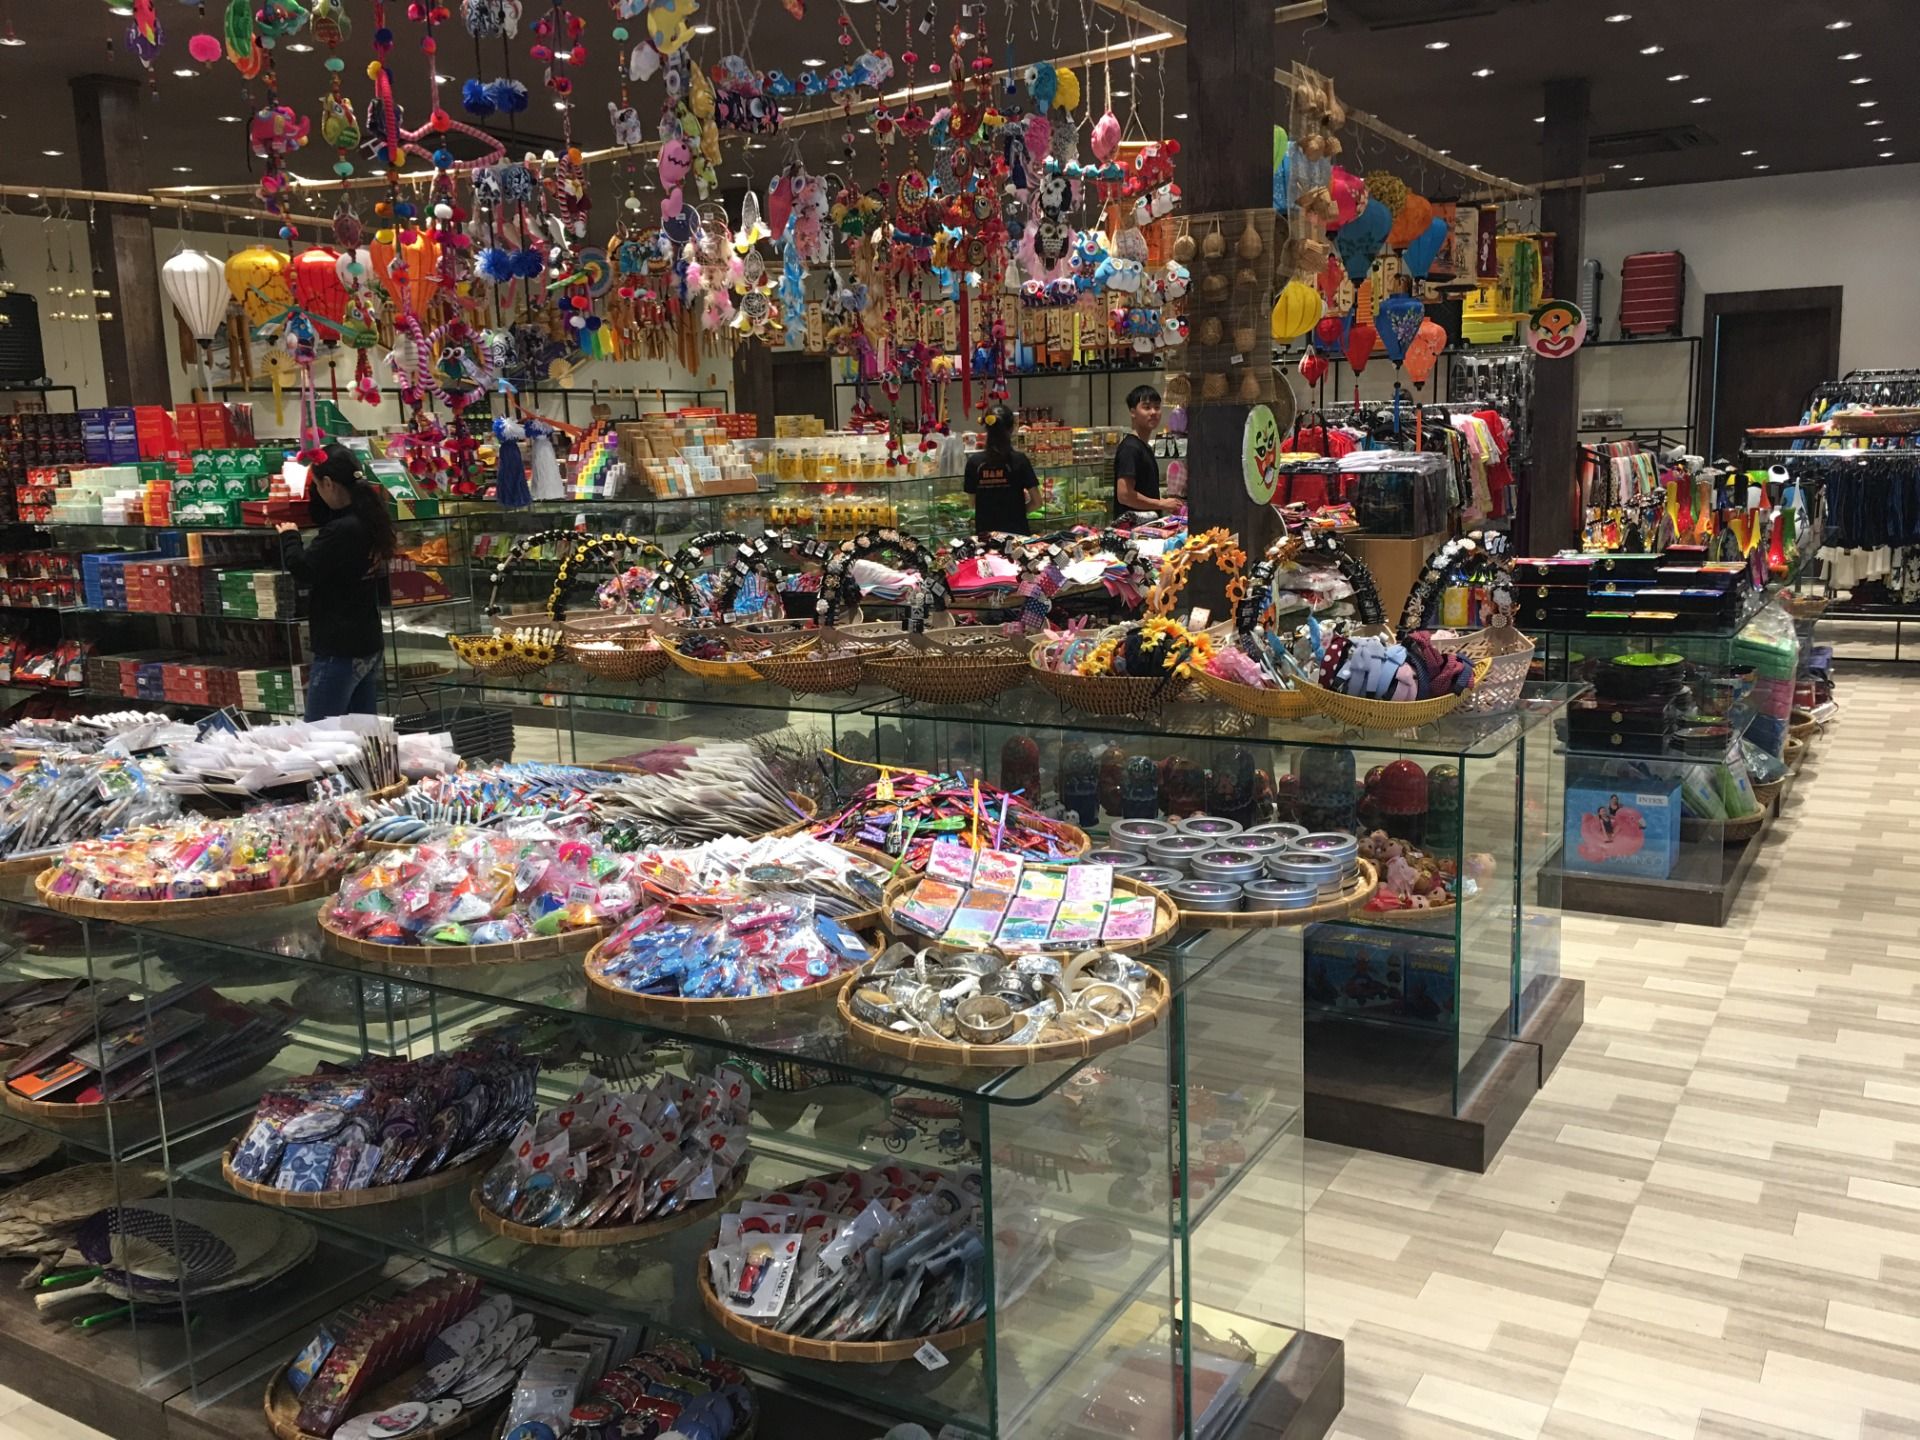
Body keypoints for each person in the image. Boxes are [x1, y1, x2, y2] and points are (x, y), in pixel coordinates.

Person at [275, 443, 396, 721]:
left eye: (317, 486)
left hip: (339, 647)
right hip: (367, 641)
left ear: (328, 483)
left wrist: (289, 537)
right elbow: (326, 514)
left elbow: (304, 568)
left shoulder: (342, 530)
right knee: (361, 733)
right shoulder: (369, 518)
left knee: (319, 734)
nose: (317, 492)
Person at [962, 403, 1039, 537]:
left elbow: (972, 504)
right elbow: (1037, 502)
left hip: (986, 536)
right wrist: (1017, 513)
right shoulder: (1020, 460)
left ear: (986, 427)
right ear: (1012, 428)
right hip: (1016, 536)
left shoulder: (974, 462)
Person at [1112, 383, 1180, 519]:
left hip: (1145, 526)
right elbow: (1125, 495)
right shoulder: (1130, 448)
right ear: (1133, 412)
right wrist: (1161, 504)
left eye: (1157, 407)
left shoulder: (1144, 447)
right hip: (1131, 528)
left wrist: (1166, 503)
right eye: (1147, 407)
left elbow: (1144, 492)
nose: (1153, 412)